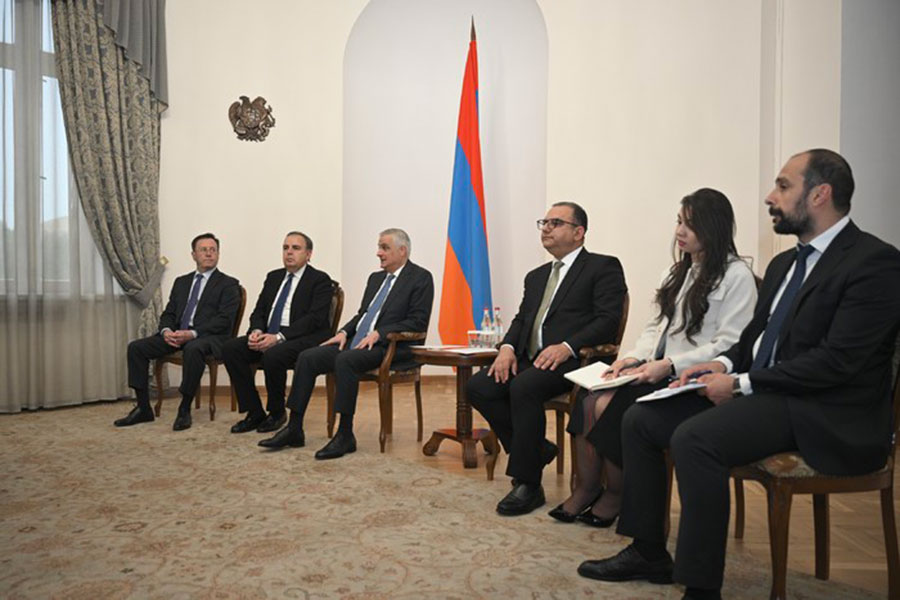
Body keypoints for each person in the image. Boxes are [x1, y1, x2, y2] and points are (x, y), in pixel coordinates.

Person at [578, 149, 900, 600]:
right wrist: (723, 365)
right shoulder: (786, 264)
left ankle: (702, 587)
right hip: (770, 395)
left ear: (820, 194)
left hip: (824, 410)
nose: (770, 196)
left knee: (696, 439)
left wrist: (740, 383)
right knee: (641, 420)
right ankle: (648, 550)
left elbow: (837, 362)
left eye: (783, 186)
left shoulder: (874, 262)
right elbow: (750, 340)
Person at [550, 189, 756, 527]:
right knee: (589, 397)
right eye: (678, 222)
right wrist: (631, 359)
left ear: (714, 227)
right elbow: (654, 329)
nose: (680, 232)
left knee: (607, 406)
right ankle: (587, 488)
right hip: (656, 370)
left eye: (690, 224)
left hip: (692, 379)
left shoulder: (737, 276)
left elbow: (731, 344)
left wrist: (671, 364)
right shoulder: (676, 273)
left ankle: (616, 494)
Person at [467, 201, 627, 516]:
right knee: (478, 386)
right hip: (532, 359)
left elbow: (607, 321)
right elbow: (522, 319)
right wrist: (507, 348)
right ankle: (536, 450)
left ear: (578, 232)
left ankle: (527, 483)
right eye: (544, 222)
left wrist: (567, 346)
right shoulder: (537, 276)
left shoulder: (602, 267)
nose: (546, 228)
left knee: (524, 386)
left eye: (556, 223)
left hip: (575, 361)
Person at [258, 228, 434, 459]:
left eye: (384, 248)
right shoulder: (376, 279)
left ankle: (345, 434)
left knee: (345, 360)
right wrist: (343, 332)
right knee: (308, 357)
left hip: (392, 347)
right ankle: (294, 427)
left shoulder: (420, 278)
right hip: (359, 343)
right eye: (379, 247)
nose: (378, 253)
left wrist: (381, 333)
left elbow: (418, 321)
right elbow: (363, 314)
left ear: (402, 251)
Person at [115, 233, 241, 431]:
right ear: (194, 255)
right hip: (177, 335)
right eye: (204, 250)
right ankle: (143, 408)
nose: (209, 254)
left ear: (218, 254)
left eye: (213, 250)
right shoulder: (182, 282)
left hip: (208, 338)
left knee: (193, 348)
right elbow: (169, 313)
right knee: (136, 348)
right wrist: (166, 331)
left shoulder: (229, 284)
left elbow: (224, 321)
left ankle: (184, 408)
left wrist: (193, 333)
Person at [223, 232, 333, 434]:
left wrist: (278, 338)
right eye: (285, 248)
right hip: (270, 333)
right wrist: (256, 331)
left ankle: (276, 412)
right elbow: (259, 311)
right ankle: (254, 412)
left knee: (274, 354)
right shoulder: (273, 277)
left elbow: (314, 320)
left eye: (296, 248)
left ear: (308, 254)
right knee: (231, 348)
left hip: (302, 337)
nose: (289, 252)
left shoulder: (319, 280)